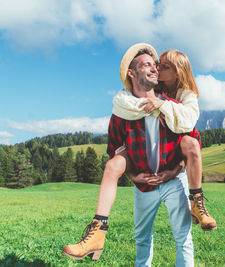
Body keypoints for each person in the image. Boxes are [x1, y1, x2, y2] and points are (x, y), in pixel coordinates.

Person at [63, 43, 196, 266]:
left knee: (183, 239)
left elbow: (192, 143)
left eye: (155, 65)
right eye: (147, 65)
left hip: (174, 180)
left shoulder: (172, 106)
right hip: (143, 186)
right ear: (131, 72)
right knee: (142, 239)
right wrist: (134, 176)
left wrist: (174, 170)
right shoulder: (122, 111)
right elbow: (115, 150)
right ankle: (97, 232)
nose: (155, 69)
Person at [113, 49, 216, 230]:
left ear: (177, 72)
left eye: (165, 66)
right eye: (157, 64)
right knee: (142, 232)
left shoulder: (187, 94)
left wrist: (163, 106)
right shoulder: (154, 88)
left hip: (178, 159)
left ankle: (197, 202)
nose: (157, 68)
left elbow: (189, 122)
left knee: (191, 142)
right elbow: (126, 97)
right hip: (157, 158)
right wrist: (155, 108)